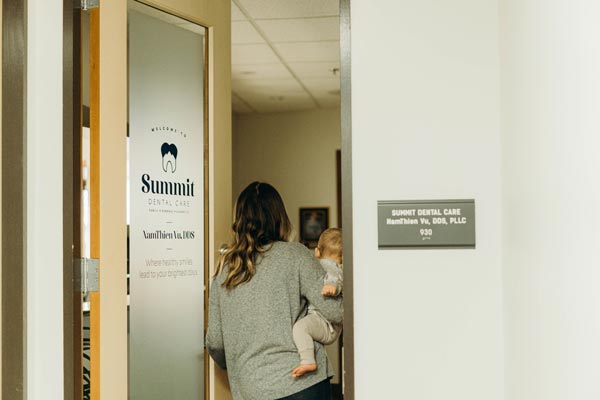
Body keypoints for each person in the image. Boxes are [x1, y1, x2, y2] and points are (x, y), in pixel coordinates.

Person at [206, 182, 343, 400]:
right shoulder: (295, 255)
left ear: (239, 220)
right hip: (304, 386)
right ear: (279, 216)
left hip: (251, 388)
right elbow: (336, 311)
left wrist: (242, 363)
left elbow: (215, 342)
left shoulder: (225, 269)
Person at [291, 228, 343, 378]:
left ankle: (307, 360)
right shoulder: (330, 265)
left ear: (317, 252)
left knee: (300, 328)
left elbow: (336, 277)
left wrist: (333, 287)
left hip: (326, 323)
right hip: (326, 323)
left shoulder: (326, 266)